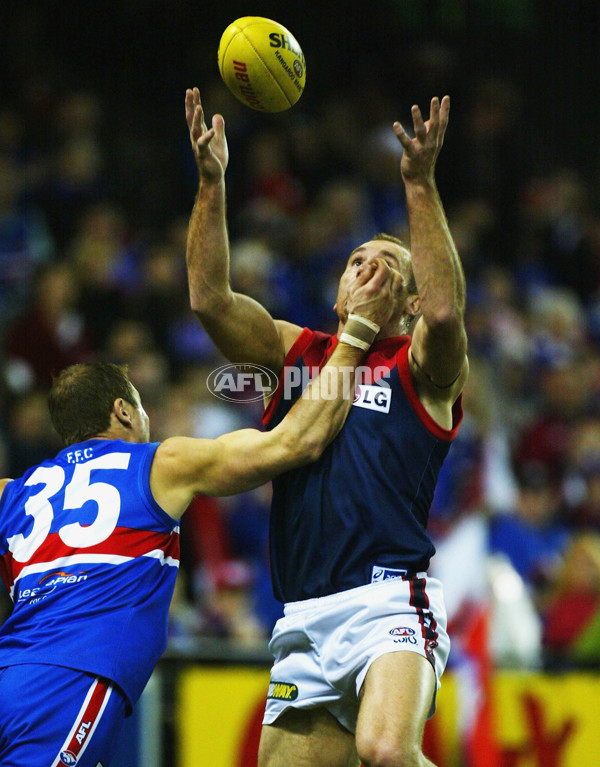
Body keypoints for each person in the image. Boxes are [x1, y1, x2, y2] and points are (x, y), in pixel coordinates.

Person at [0, 261, 394, 767]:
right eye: (141, 406)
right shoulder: (160, 463)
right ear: (123, 411)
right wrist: (356, 336)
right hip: (71, 678)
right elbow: (299, 441)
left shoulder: (14, 493)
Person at [185, 86, 468, 767]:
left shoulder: (418, 366)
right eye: (357, 261)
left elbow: (445, 317)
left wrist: (420, 186)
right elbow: (209, 300)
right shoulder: (296, 350)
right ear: (339, 288)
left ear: (403, 301)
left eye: (388, 268)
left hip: (387, 602)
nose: (367, 268)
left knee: (385, 751)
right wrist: (211, 184)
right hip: (303, 615)